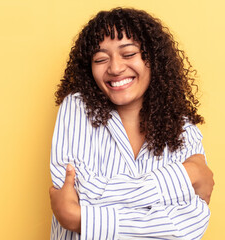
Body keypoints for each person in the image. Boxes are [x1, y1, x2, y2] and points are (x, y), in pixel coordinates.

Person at [49, 7, 214, 240]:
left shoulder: (182, 127)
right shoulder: (77, 108)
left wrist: (81, 219)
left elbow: (188, 225)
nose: (115, 68)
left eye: (128, 54)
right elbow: (82, 193)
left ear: (154, 59)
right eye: (100, 59)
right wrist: (185, 176)